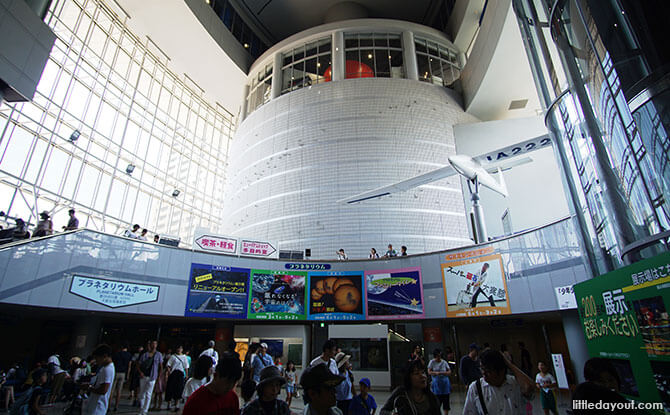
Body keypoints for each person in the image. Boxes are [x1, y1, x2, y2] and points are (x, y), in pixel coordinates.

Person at [462, 349, 534, 415]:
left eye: (488, 371)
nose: (484, 374)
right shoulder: (476, 388)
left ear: (501, 370)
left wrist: (509, 364)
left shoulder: (516, 383)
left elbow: (529, 387)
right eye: (482, 369)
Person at [83, 344, 115, 415]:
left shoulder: (107, 369)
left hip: (98, 407)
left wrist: (89, 388)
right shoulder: (106, 367)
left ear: (104, 356)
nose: (96, 360)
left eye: (97, 358)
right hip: (96, 405)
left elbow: (103, 390)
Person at [137, 340, 162, 415]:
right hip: (144, 375)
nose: (153, 345)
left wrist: (159, 376)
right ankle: (142, 408)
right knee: (142, 393)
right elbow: (138, 364)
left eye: (155, 344)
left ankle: (145, 411)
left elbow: (160, 366)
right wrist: (140, 372)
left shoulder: (159, 355)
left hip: (152, 376)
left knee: (148, 393)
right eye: (152, 344)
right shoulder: (145, 354)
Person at [165, 345, 189, 411]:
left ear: (182, 349)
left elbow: (186, 367)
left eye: (180, 348)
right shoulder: (173, 356)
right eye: (178, 348)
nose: (179, 350)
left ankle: (177, 405)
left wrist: (186, 375)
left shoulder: (184, 357)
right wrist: (169, 371)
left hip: (180, 374)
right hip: (173, 374)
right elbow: (168, 365)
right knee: (170, 389)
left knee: (178, 389)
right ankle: (169, 404)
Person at [427, 349, 451, 415]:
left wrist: (444, 373)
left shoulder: (444, 362)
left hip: (445, 385)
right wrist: (435, 373)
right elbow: (429, 372)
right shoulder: (432, 362)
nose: (439, 358)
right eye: (437, 356)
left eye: (440, 356)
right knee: (437, 403)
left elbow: (449, 371)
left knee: (446, 403)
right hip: (437, 385)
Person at [110, 343, 132, 411]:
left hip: (116, 372)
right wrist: (127, 375)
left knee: (112, 390)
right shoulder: (129, 355)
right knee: (119, 391)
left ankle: (108, 405)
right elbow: (129, 366)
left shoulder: (117, 354)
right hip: (123, 373)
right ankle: (116, 406)